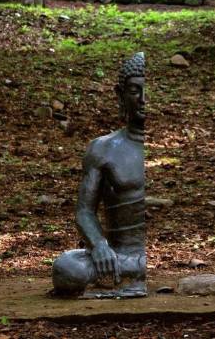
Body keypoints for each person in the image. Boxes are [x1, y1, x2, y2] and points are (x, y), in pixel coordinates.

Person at [52, 52, 147, 298]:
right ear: (121, 94)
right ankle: (134, 272)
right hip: (122, 256)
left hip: (159, 257)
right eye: (135, 91)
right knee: (68, 268)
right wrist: (99, 245)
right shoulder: (103, 148)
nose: (144, 99)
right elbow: (84, 211)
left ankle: (144, 271)